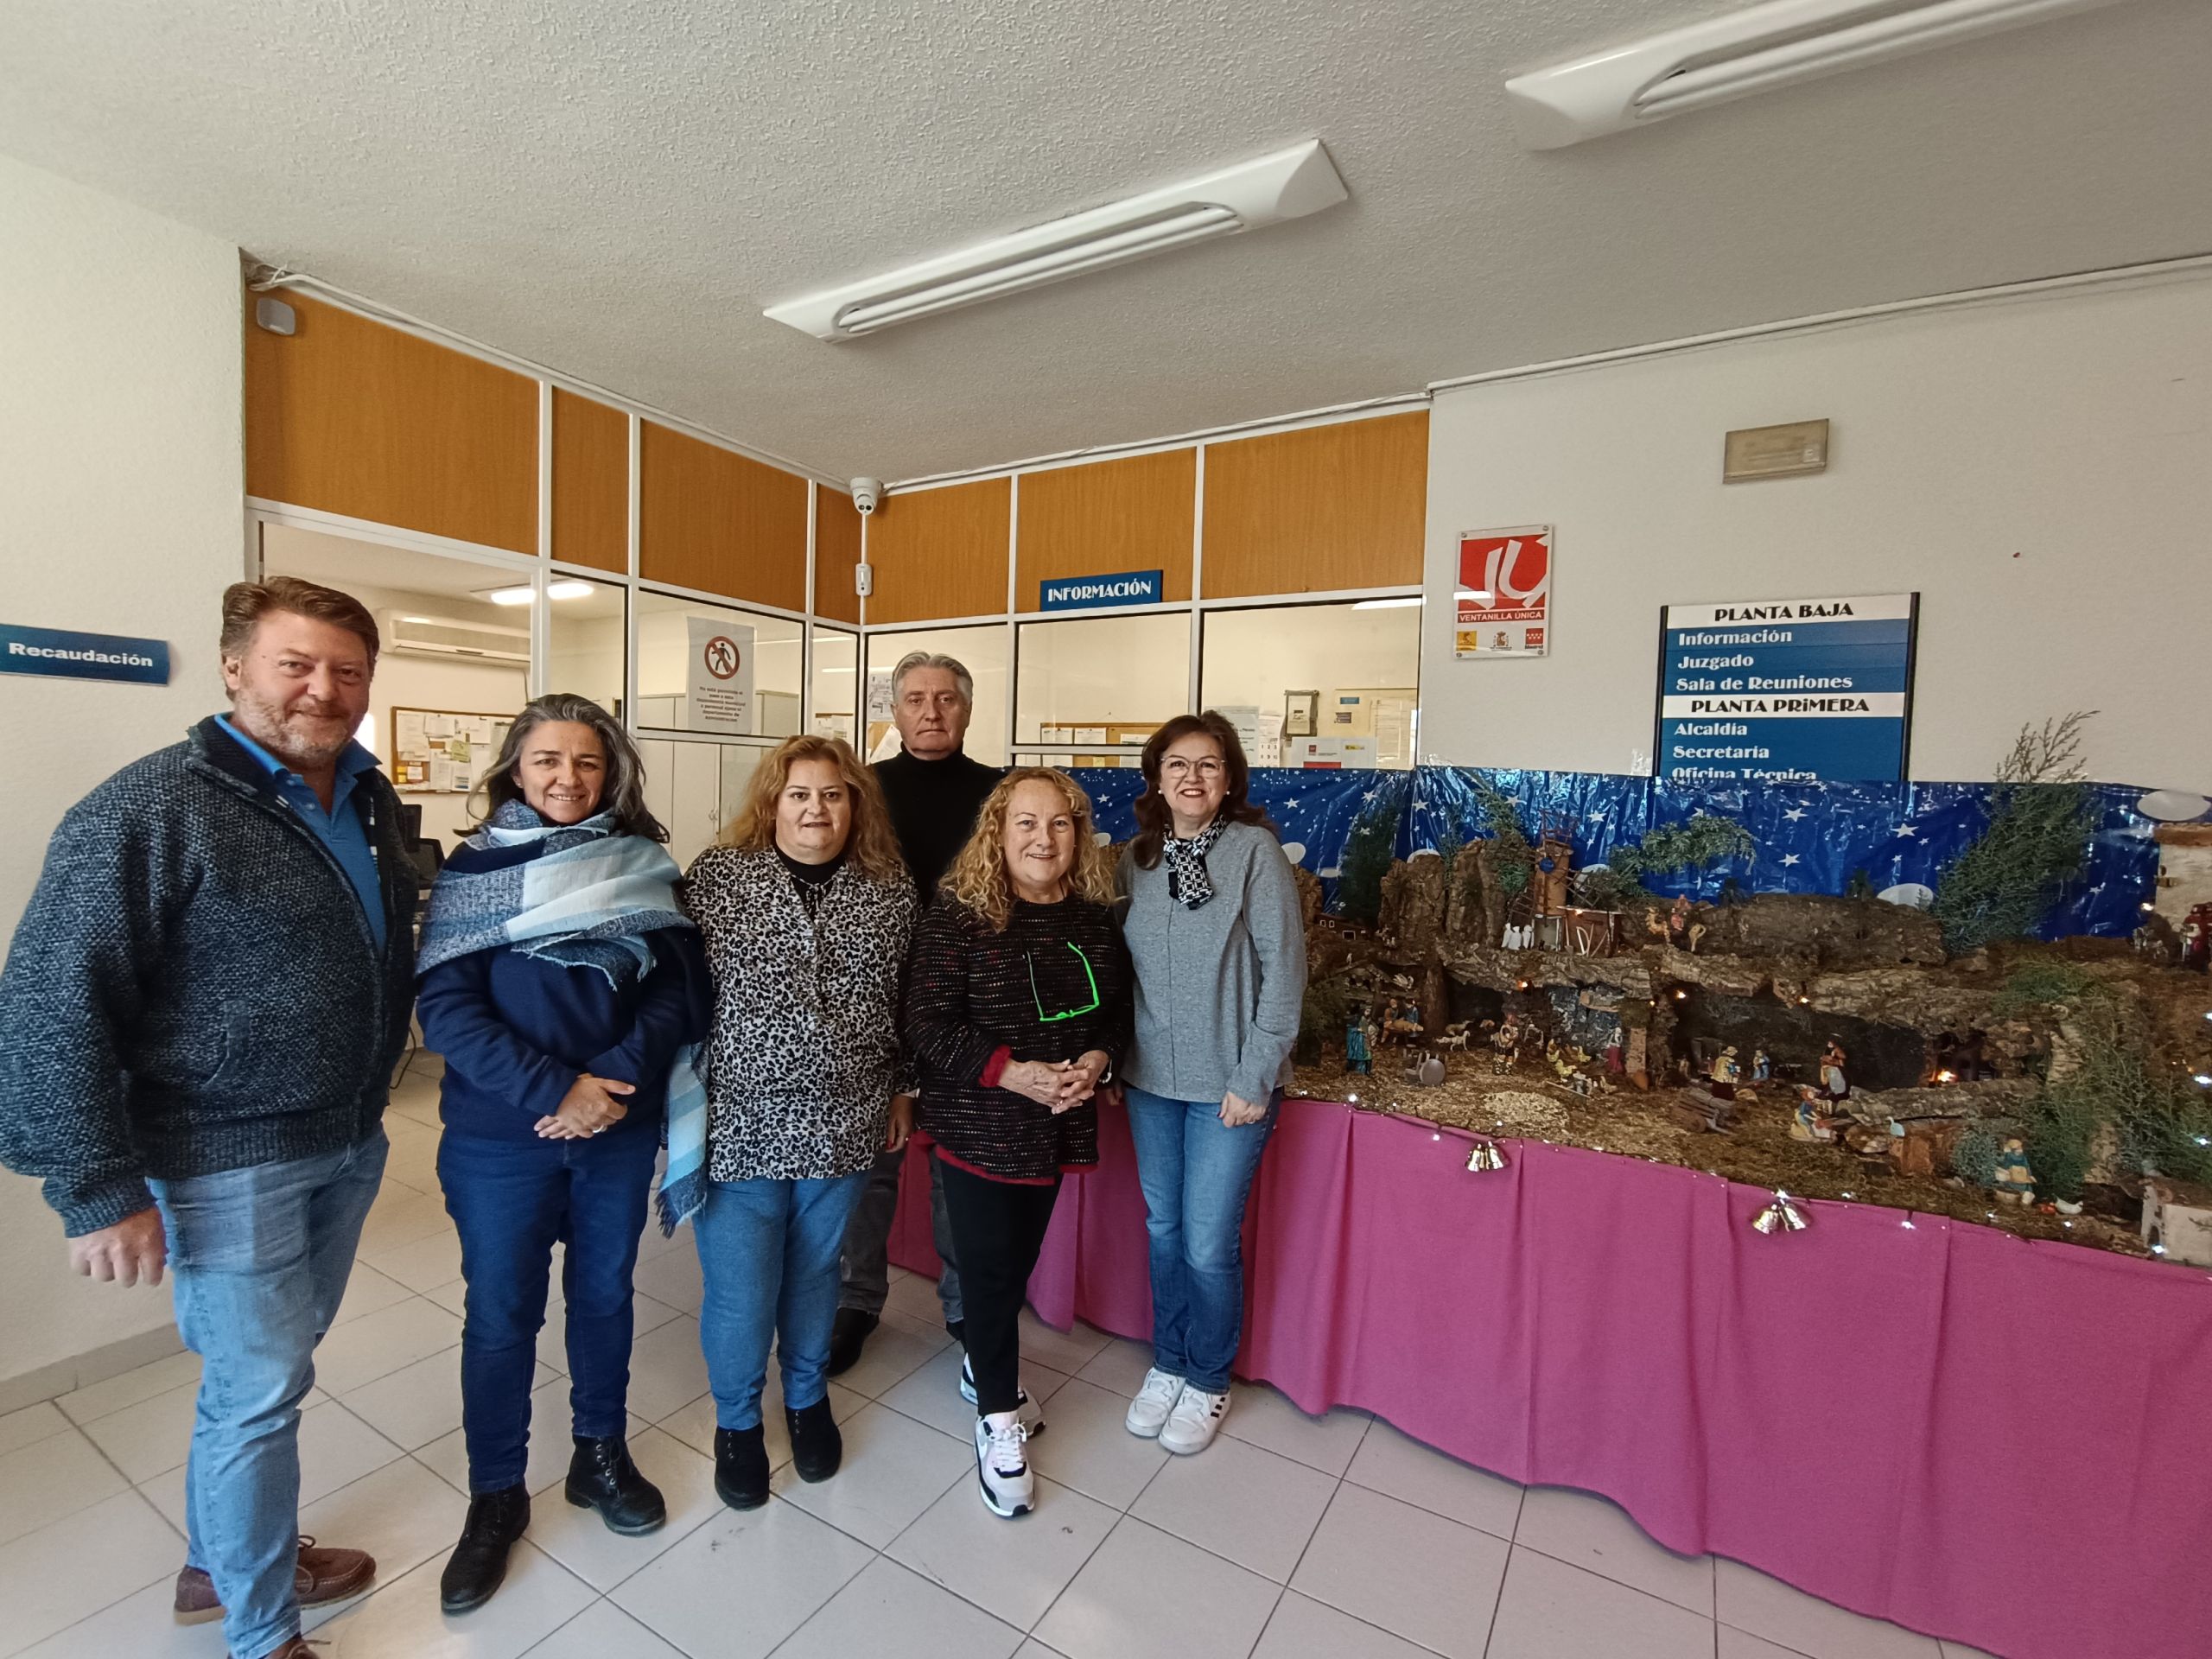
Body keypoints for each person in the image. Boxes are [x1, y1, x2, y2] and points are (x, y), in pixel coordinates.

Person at [0, 578, 416, 1659]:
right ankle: (260, 1633)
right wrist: (96, 1187)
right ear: (234, 667)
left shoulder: (367, 800)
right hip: (225, 1158)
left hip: (345, 1140)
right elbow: (50, 1000)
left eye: (347, 670)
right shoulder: (150, 808)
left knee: (268, 1377)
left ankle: (221, 1563)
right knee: (258, 1392)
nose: (323, 690)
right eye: (296, 664)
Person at [415, 694, 709, 1613]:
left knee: (602, 1297)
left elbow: (681, 996)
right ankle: (496, 1494)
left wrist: (610, 1081)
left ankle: (598, 1454)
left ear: (610, 774)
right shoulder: (474, 873)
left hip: (614, 1134)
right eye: (547, 761)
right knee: (502, 1318)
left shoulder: (642, 868)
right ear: (514, 769)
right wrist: (556, 1091)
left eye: (586, 763)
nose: (567, 779)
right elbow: (447, 1010)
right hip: (501, 1141)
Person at [679, 735, 918, 1510]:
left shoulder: (888, 889)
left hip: (845, 1121)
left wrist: (904, 1089)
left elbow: (907, 1006)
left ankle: (807, 1398)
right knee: (743, 1291)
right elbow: (679, 995)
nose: (817, 809)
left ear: (856, 805)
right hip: (741, 1122)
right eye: (800, 794)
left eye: (834, 794)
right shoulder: (719, 879)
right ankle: (738, 1423)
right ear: (772, 802)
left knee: (818, 1273)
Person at [903, 769, 1132, 1516]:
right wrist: (1012, 1074)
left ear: (1079, 834)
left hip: (1059, 1121)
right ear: (998, 833)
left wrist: (1097, 1062)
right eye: (1026, 823)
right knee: (993, 1274)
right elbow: (928, 1023)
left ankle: (980, 1360)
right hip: (980, 1121)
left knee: (1018, 1264)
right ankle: (997, 1418)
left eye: (1060, 823)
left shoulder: (1096, 917)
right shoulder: (959, 912)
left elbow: (1116, 1014)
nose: (1044, 837)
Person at [1117, 711, 1306, 1456]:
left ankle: (1206, 1377)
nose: (1191, 778)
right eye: (1176, 765)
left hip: (1231, 1086)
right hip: (1150, 1083)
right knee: (1162, 1231)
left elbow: (1285, 972)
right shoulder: (1134, 858)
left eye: (1208, 765)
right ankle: (1166, 1363)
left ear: (1229, 780)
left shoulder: (1256, 852)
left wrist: (1255, 1073)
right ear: (1155, 778)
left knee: (1204, 1242)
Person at [830, 651, 1002, 1376]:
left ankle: (966, 1309)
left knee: (956, 1164)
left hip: (970, 1002)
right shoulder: (858, 791)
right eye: (914, 700)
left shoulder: (1001, 792)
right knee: (870, 1162)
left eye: (945, 700)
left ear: (967, 709)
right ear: (893, 712)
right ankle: (854, 1300)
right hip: (879, 997)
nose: (931, 713)